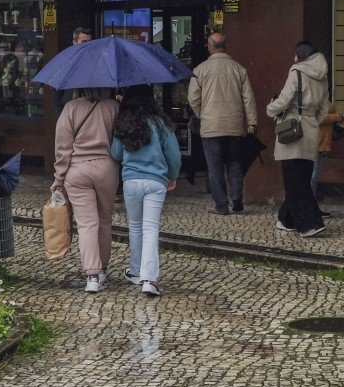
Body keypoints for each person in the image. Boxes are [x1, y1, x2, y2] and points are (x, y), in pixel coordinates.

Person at [110, 85, 181, 298]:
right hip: (156, 182)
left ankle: (134, 270)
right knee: (151, 228)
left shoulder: (124, 123)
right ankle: (149, 280)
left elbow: (115, 154)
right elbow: (175, 155)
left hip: (131, 181)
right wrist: (172, 176)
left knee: (135, 226)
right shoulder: (160, 124)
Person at [52, 87, 120, 293]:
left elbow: (62, 148)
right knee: (105, 220)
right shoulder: (113, 107)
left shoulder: (70, 109)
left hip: (77, 170)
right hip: (107, 168)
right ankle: (103, 270)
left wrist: (58, 179)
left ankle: (91, 275)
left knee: (86, 224)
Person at [188, 32, 258, 215]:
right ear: (225, 46)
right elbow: (248, 99)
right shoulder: (239, 69)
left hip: (210, 127)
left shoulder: (200, 70)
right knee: (234, 164)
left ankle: (221, 205)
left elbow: (193, 98)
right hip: (234, 125)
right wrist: (252, 123)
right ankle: (236, 198)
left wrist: (202, 115)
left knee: (215, 167)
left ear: (210, 47)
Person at [267, 40, 329, 237]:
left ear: (300, 55)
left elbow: (285, 99)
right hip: (311, 129)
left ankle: (310, 223)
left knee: (295, 180)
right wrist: (312, 121)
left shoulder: (297, 71)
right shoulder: (323, 76)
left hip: (293, 129)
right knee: (301, 176)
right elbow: (324, 109)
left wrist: (271, 108)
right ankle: (286, 220)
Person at [54, 27, 93, 113]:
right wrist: (60, 117)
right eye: (84, 42)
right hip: (69, 109)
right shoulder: (66, 62)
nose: (87, 45)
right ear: (74, 43)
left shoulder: (96, 61)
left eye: (90, 42)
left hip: (91, 109)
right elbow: (57, 94)